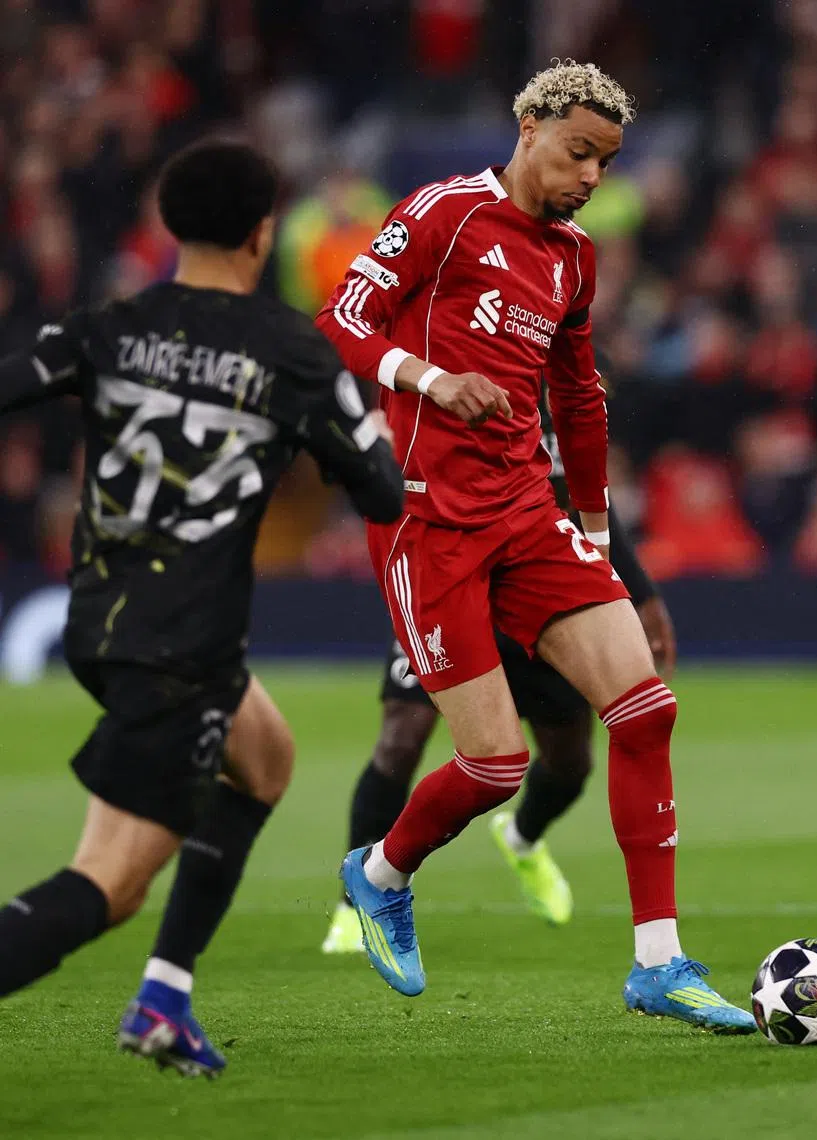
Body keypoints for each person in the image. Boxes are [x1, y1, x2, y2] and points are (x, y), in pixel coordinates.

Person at [315, 60, 755, 1032]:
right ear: (528, 127)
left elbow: (581, 396)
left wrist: (594, 532)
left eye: (605, 161)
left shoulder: (575, 258)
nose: (591, 177)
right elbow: (339, 321)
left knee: (644, 711)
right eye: (578, 153)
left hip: (528, 510)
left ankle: (659, 962)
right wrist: (428, 381)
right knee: (494, 766)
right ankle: (381, 871)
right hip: (425, 517)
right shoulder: (440, 214)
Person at [0, 140, 406, 1077]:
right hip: (181, 644)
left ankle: (165, 999)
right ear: (265, 233)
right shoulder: (289, 351)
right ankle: (152, 996)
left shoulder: (110, 327)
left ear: (169, 225)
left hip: (102, 618)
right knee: (108, 881)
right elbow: (382, 492)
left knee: (264, 760)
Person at [322, 395, 675, 948]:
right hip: (446, 582)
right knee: (400, 738)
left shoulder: (561, 389)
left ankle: (523, 837)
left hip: (539, 589)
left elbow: (589, 492)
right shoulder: (437, 375)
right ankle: (354, 906)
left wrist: (643, 593)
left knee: (571, 763)